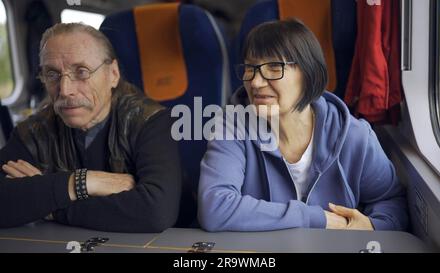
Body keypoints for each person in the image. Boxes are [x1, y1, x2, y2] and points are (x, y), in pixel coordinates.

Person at [198, 19, 409, 232]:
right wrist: (317, 218)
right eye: (250, 68)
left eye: (273, 67)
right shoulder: (231, 128)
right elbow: (214, 208)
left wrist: (372, 226)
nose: (255, 82)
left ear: (309, 74)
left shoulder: (355, 136)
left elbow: (392, 202)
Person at [0, 23, 182, 232]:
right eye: (52, 74)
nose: (65, 90)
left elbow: (156, 211)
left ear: (113, 74)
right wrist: (83, 182)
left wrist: (50, 206)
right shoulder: (33, 132)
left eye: (82, 72)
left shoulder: (149, 120)